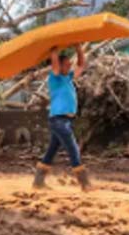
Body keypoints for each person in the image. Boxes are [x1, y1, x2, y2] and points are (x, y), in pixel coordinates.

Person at [34, 45, 90, 191]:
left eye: (69, 65)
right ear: (59, 65)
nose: (70, 66)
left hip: (66, 120)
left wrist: (78, 48)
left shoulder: (68, 78)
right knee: (73, 148)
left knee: (51, 151)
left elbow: (81, 64)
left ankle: (38, 182)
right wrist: (54, 51)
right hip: (58, 120)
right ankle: (85, 183)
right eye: (66, 64)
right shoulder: (55, 77)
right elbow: (55, 64)